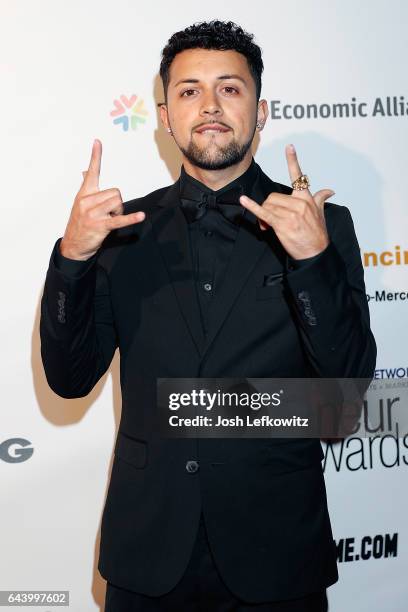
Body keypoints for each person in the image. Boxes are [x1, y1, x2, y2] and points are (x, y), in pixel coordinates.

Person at [40, 20, 376, 612]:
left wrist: (313, 261)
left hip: (277, 554)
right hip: (148, 553)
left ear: (261, 109)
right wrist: (73, 258)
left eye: (231, 87)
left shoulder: (324, 227)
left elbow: (342, 407)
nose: (211, 105)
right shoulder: (120, 235)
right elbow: (69, 381)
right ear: (166, 116)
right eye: (190, 91)